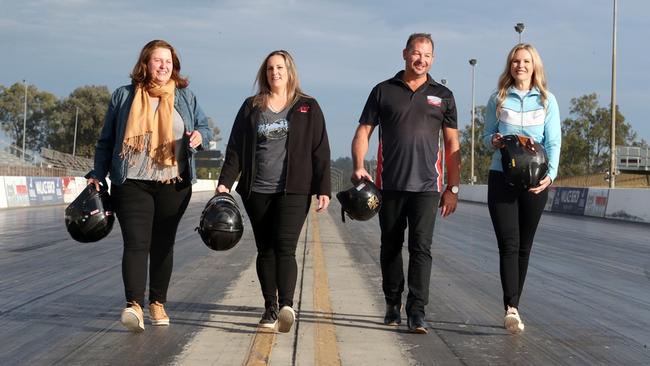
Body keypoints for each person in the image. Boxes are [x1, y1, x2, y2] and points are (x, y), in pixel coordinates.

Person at [86, 39, 212, 332]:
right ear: (146, 63)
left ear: (174, 66)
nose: (164, 66)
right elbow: (106, 141)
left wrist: (199, 137)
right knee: (136, 244)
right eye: (158, 60)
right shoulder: (123, 96)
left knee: (163, 244)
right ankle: (134, 306)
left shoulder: (185, 97)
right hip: (131, 183)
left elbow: (203, 126)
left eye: (168, 62)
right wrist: (97, 173)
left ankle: (157, 302)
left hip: (173, 184)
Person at [351, 33, 461, 334]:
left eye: (426, 55)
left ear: (433, 59)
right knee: (390, 247)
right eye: (416, 53)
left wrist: (452, 188)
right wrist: (359, 166)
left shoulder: (444, 95)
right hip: (390, 186)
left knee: (421, 249)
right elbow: (363, 132)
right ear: (404, 54)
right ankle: (391, 303)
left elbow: (452, 145)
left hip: (427, 187)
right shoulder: (383, 91)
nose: (421, 59)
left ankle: (417, 311)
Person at [217, 50, 331, 333]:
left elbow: (320, 150)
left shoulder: (308, 106)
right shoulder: (251, 106)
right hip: (257, 190)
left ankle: (286, 306)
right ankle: (269, 307)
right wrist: (225, 183)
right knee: (265, 249)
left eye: (280, 67)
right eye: (269, 69)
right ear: (264, 73)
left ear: (290, 71)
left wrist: (324, 188)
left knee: (285, 247)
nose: (274, 73)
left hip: (294, 190)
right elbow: (235, 148)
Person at [483, 43, 561, 333]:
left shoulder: (547, 100)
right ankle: (511, 308)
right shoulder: (499, 98)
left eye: (526, 61)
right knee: (509, 244)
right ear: (510, 65)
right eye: (516, 61)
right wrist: (492, 140)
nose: (520, 66)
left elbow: (553, 142)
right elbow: (486, 135)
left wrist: (550, 175)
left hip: (535, 182)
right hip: (501, 177)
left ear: (534, 65)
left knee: (524, 247)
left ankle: (515, 303)